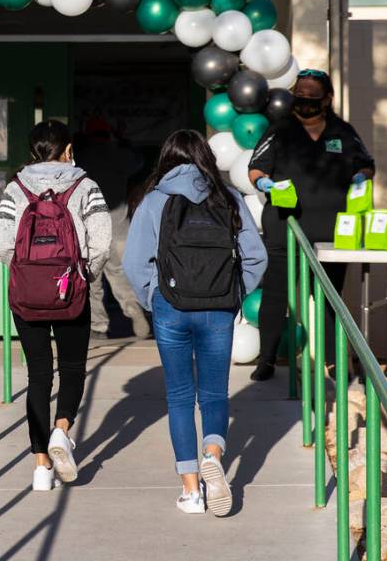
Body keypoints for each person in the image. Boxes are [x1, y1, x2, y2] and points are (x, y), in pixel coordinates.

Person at [123, 129, 267, 516]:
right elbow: (256, 257)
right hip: (218, 307)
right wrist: (234, 293)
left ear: (167, 159)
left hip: (171, 306)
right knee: (216, 393)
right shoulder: (229, 197)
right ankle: (213, 454)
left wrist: (154, 299)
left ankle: (191, 491)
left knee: (180, 397)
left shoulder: (155, 200)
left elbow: (134, 264)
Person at [0, 120, 112, 492]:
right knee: (73, 367)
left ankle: (41, 467)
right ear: (68, 149)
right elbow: (102, 241)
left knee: (38, 375)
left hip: (27, 295)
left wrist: (26, 274)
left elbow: (3, 243)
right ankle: (62, 430)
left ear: (32, 152)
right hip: (70, 291)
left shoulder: (15, 188)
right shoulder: (85, 186)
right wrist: (84, 275)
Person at [246, 69, 374, 382]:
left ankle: (333, 363)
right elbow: (256, 167)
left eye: (311, 96)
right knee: (277, 295)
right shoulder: (280, 130)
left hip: (332, 233)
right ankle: (267, 360)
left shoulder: (342, 132)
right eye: (299, 95)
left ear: (327, 99)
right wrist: (264, 184)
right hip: (284, 229)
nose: (303, 101)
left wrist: (361, 178)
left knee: (329, 298)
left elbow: (366, 164)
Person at [74, 116, 151, 339]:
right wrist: (124, 141)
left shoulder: (81, 158)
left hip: (90, 228)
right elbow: (140, 161)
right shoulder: (120, 156)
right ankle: (133, 309)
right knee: (120, 275)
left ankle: (98, 327)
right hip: (118, 227)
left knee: (92, 281)